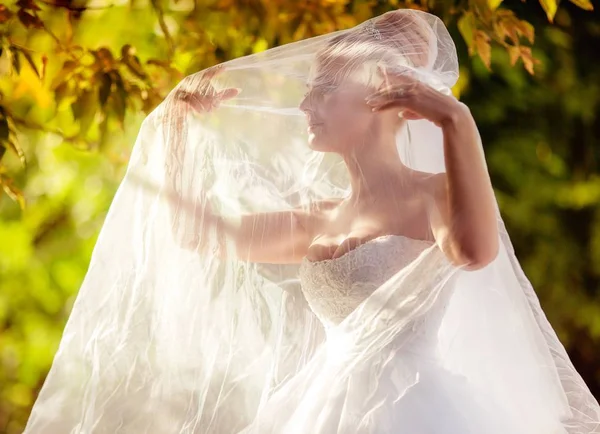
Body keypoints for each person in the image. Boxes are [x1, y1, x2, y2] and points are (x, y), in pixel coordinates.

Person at [25, 9, 599, 434]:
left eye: (323, 92)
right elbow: (201, 235)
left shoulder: (436, 196)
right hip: (321, 408)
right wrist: (175, 130)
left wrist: (455, 120)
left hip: (415, 410)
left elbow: (474, 252)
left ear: (378, 102)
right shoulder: (319, 220)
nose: (304, 107)